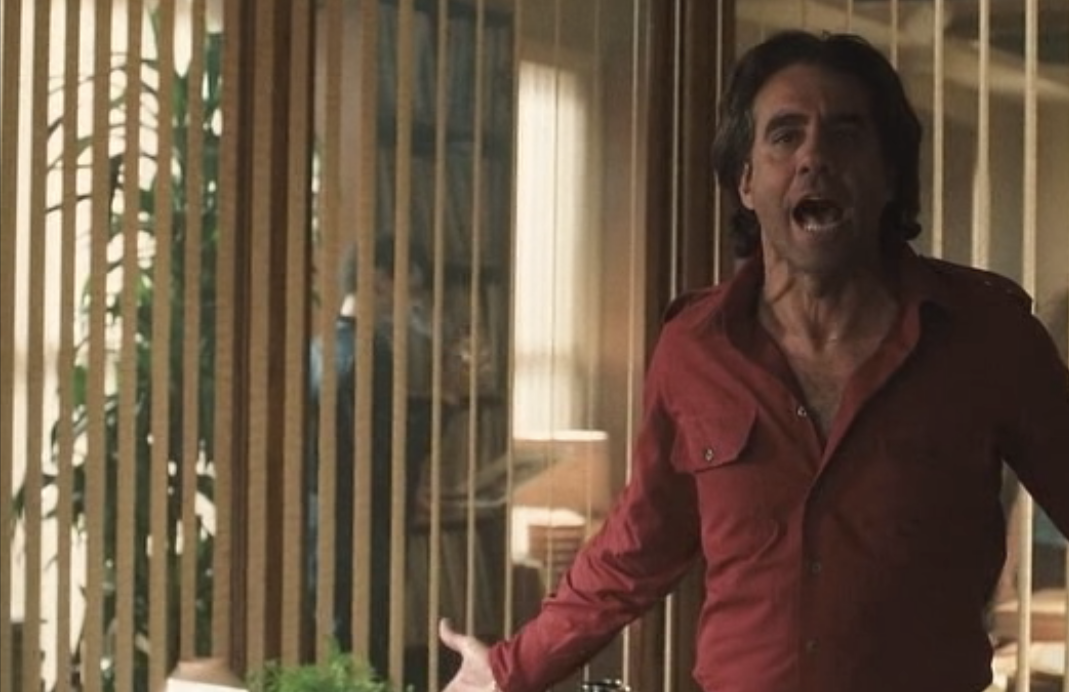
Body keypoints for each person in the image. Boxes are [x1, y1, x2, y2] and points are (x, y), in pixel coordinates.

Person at [438, 29, 1069, 692]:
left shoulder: (987, 335)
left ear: (888, 174)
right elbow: (638, 546)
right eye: (785, 135)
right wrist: (506, 671)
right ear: (745, 180)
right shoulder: (694, 349)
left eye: (845, 132)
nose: (813, 157)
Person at [306, 235, 433, 674]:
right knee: (364, 650)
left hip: (320, 521)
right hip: (361, 529)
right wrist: (442, 413)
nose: (412, 304)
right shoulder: (372, 355)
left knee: (333, 649)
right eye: (410, 289)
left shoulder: (319, 348)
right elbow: (384, 457)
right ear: (380, 278)